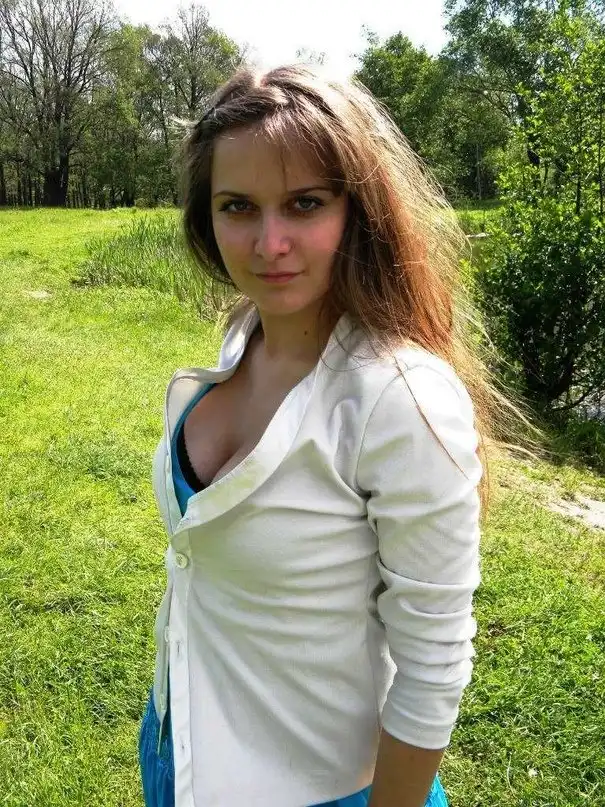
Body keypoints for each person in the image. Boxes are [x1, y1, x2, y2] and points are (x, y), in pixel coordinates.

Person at [137, 62, 520, 807]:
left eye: (304, 203)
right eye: (238, 206)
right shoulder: (243, 339)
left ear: (358, 211)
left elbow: (433, 666)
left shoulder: (399, 398)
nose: (268, 242)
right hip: (178, 752)